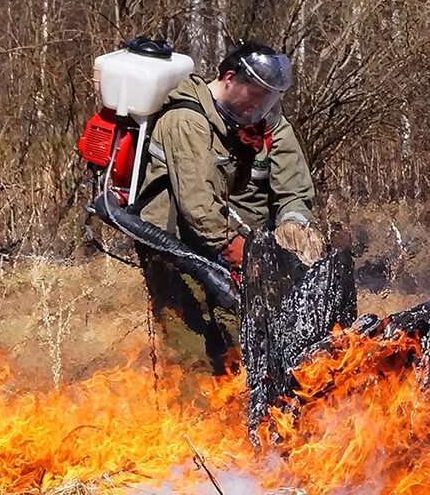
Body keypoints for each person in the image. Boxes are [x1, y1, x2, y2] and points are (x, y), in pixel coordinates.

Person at [131, 40, 324, 374]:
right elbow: (199, 208)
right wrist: (240, 251)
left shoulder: (261, 119)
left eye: (269, 96)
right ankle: (194, 421)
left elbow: (294, 186)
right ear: (231, 78)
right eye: (257, 93)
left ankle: (236, 412)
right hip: (174, 247)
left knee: (237, 340)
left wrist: (292, 229)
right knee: (189, 347)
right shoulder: (187, 120)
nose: (262, 103)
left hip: (227, 244)